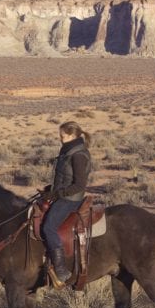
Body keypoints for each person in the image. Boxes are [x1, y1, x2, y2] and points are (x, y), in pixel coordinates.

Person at [41, 121, 91, 284]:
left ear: (72, 135)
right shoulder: (68, 150)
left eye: (62, 136)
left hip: (71, 199)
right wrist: (51, 190)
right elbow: (64, 177)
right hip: (62, 195)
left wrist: (57, 194)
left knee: (48, 227)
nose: (60, 139)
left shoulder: (78, 155)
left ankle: (61, 269)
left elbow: (79, 185)